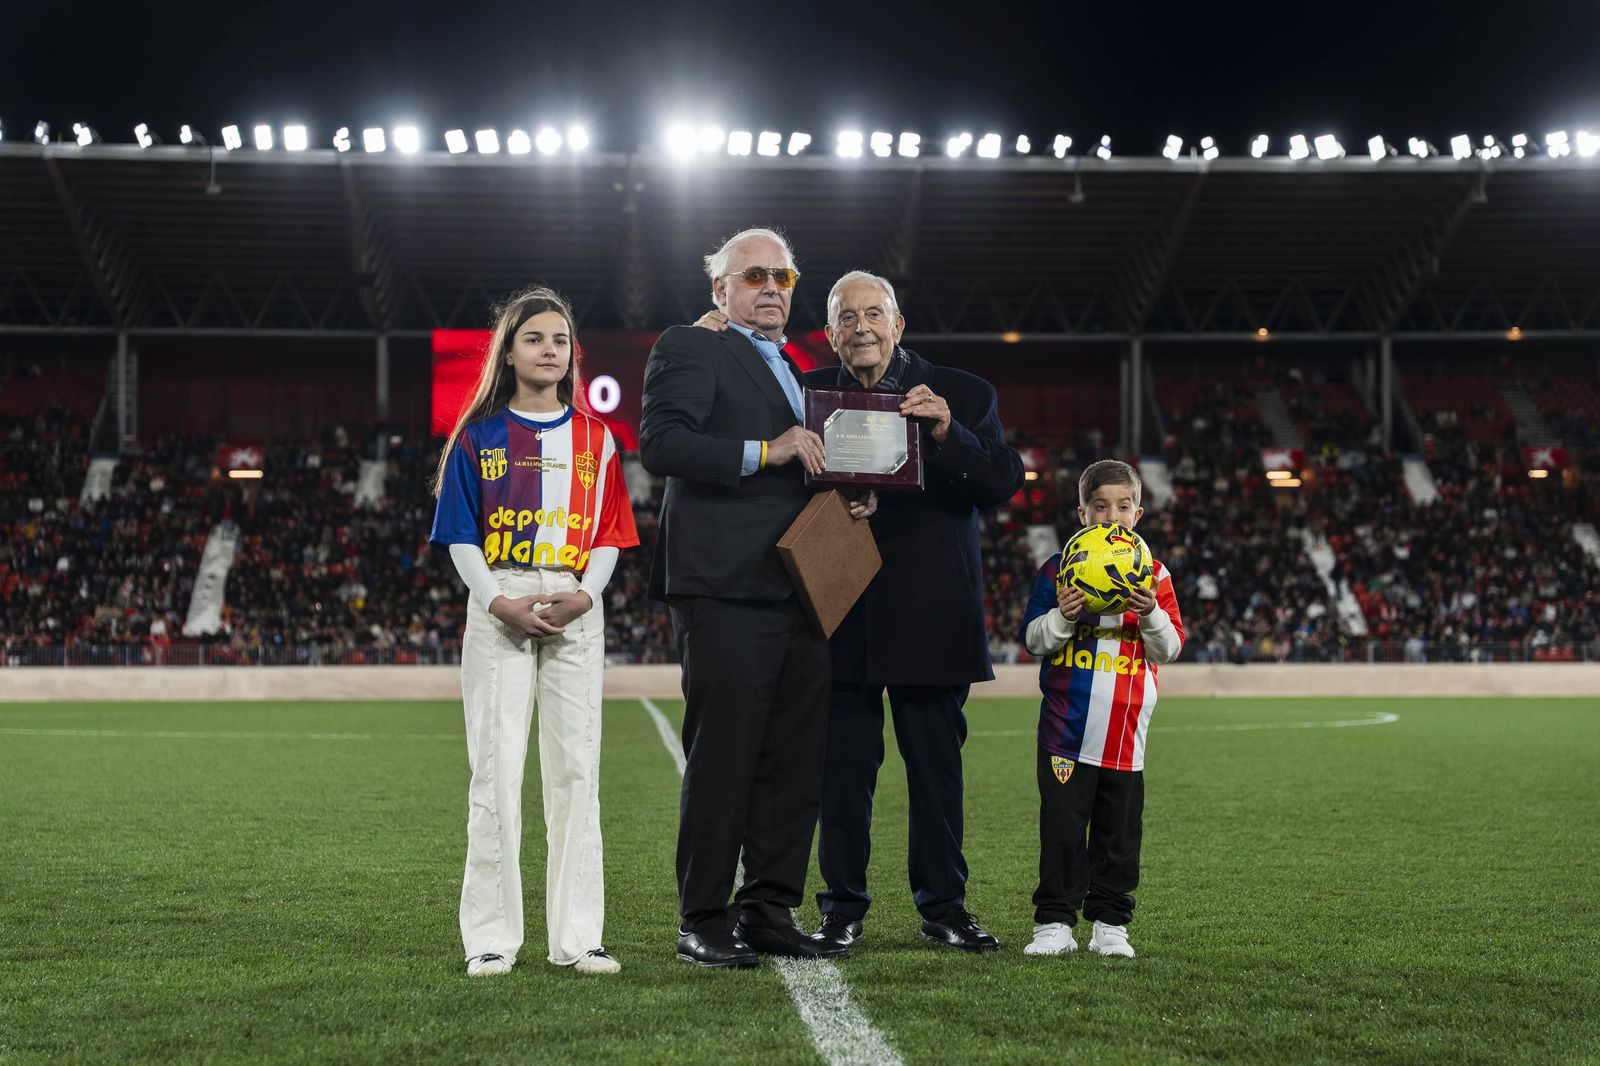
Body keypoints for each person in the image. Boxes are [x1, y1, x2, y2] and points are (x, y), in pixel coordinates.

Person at [692, 269, 1023, 952]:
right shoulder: (804, 392)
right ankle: (842, 908)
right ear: (831, 331)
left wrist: (948, 433)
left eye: (875, 314)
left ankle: (945, 907)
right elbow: (769, 478)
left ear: (898, 325)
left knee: (936, 775)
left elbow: (1000, 481)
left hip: (930, 617)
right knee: (840, 780)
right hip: (835, 611)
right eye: (848, 317)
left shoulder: (961, 392)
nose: (862, 327)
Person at [641, 228, 873, 968]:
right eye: (754, 276)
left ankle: (769, 909)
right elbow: (664, 444)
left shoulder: (800, 371)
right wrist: (766, 450)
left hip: (802, 587)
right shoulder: (693, 345)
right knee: (725, 758)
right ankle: (702, 916)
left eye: (783, 275)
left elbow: (804, 465)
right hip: (726, 586)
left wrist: (848, 495)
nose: (772, 287)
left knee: (792, 763)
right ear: (721, 292)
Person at [429, 286, 639, 977]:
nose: (549, 350)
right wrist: (496, 602)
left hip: (575, 599)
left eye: (560, 340)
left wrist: (586, 594)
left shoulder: (598, 438)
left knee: (578, 773)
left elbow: (609, 532)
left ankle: (578, 939)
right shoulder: (478, 434)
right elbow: (461, 534)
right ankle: (490, 936)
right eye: (534, 339)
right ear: (509, 351)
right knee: (495, 772)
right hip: (503, 599)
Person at [1018, 459, 1185, 959]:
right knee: (1063, 829)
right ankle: (1054, 922)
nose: (1112, 516)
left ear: (1139, 512)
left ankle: (1110, 922)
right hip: (1066, 730)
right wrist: (1061, 618)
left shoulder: (1154, 575)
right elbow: (1033, 638)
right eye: (1100, 506)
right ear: (1082, 513)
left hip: (1126, 731)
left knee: (1119, 834)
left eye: (1123, 506)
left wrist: (1150, 611)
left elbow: (1169, 647)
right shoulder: (1057, 569)